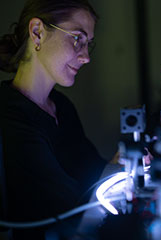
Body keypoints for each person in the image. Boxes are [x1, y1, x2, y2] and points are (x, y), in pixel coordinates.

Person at [0, 0, 108, 238]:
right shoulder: (8, 117)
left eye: (89, 44)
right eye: (77, 38)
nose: (86, 57)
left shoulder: (62, 107)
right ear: (37, 32)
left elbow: (95, 171)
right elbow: (68, 208)